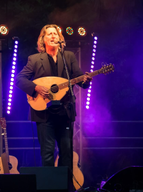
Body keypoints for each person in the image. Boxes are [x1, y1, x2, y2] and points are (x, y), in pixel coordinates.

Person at [15, 24, 92, 175]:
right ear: (43, 39)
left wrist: (86, 80)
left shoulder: (68, 56)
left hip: (65, 111)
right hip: (44, 113)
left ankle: (67, 190)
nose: (52, 36)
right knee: (48, 152)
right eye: (49, 34)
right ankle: (49, 191)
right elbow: (19, 79)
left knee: (67, 152)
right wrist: (36, 88)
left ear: (60, 39)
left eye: (55, 34)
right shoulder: (35, 59)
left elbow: (80, 79)